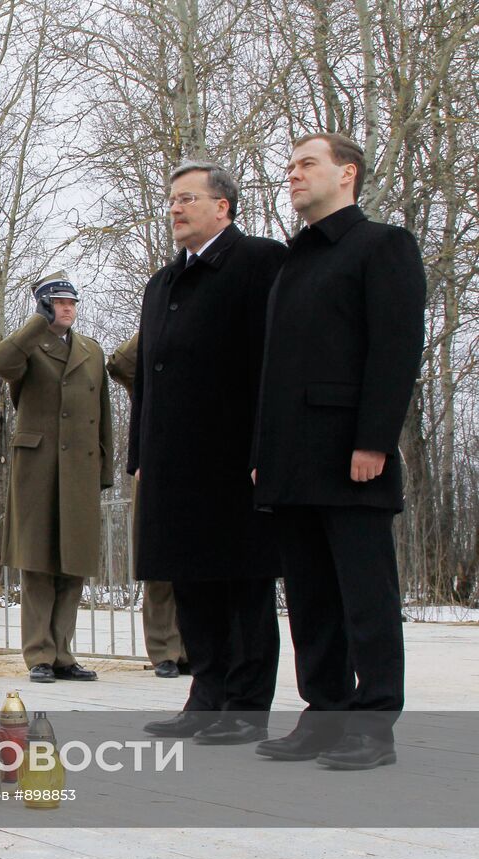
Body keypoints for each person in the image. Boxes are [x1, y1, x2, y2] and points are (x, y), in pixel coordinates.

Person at [252, 133, 426, 770]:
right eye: (290, 166)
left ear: (346, 174)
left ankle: (374, 723)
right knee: (309, 597)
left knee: (365, 594)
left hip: (350, 454)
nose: (293, 175)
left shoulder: (381, 246)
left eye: (307, 164)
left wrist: (374, 440)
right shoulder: (292, 262)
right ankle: (323, 713)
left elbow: (395, 349)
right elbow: (274, 368)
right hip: (290, 459)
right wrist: (262, 451)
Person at [128, 162, 286, 745]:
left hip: (234, 456)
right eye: (171, 199)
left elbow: (274, 363)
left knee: (242, 582)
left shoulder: (259, 263)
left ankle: (246, 705)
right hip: (173, 460)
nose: (175, 208)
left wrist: (267, 445)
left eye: (187, 198)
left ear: (223, 207)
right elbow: (147, 374)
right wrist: (139, 450)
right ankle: (206, 696)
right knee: (191, 582)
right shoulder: (162, 283)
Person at [0, 271, 113, 683]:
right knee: (38, 563)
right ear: (43, 306)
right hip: (39, 470)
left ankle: (63, 653)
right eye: (58, 303)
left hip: (79, 470)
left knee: (72, 564)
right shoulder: (28, 346)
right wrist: (35, 324)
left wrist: (105, 470)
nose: (67, 309)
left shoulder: (92, 351)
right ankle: (39, 653)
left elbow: (104, 415)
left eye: (72, 303)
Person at [107, 333, 188, 679]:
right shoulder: (146, 371)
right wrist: (156, 321)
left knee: (195, 566)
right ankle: (165, 650)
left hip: (201, 465)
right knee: (160, 568)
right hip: (156, 467)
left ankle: (191, 648)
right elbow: (119, 362)